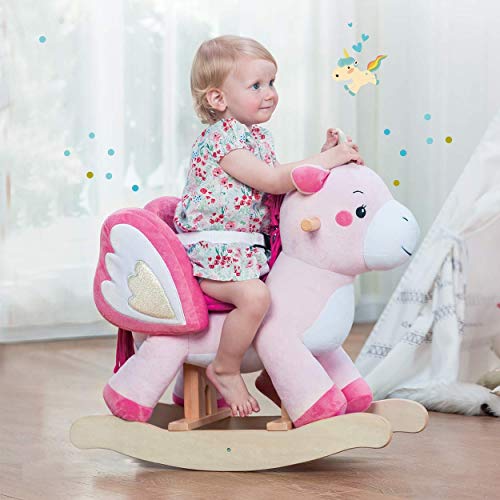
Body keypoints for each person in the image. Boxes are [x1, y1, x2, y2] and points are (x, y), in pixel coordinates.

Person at [173, 35, 363, 418]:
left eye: (272, 82)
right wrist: (326, 161)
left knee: (290, 293)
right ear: (218, 98)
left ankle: (279, 374)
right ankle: (225, 368)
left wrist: (321, 157)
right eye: (256, 85)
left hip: (243, 251)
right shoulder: (223, 140)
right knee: (256, 298)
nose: (270, 93)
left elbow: (279, 180)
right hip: (211, 253)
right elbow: (274, 181)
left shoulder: (255, 136)